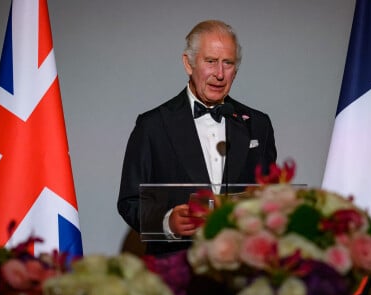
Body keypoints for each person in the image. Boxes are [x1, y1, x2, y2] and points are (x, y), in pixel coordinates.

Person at [117, 20, 277, 256]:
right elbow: (130, 201)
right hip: (176, 271)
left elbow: (272, 199)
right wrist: (168, 222)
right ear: (188, 63)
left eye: (228, 63)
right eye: (211, 61)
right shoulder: (152, 125)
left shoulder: (258, 125)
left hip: (241, 273)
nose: (220, 74)